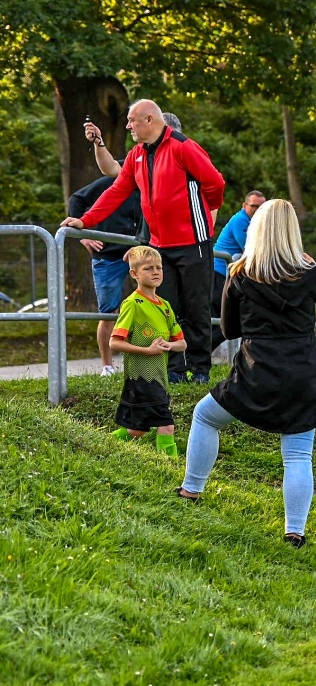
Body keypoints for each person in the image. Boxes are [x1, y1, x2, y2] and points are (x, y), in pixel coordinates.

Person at [178, 200, 316, 547]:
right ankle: (294, 532)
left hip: (257, 371)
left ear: (256, 229)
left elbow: (227, 328)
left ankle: (191, 490)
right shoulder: (309, 272)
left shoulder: (240, 273)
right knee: (298, 454)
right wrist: (314, 271)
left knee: (205, 416)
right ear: (292, 232)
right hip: (304, 373)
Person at [64, 100, 225, 385]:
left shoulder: (183, 147)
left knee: (196, 306)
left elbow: (215, 184)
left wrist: (203, 220)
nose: (127, 126)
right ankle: (174, 369)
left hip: (193, 242)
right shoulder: (137, 154)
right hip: (159, 245)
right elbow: (116, 191)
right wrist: (85, 221)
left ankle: (199, 369)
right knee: (167, 307)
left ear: (149, 120)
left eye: (132, 121)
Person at [108, 246, 185, 457]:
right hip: (141, 378)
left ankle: (103, 443)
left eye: (159, 268)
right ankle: (171, 467)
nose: (156, 272)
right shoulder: (133, 303)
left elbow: (182, 343)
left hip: (160, 379)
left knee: (137, 430)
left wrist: (169, 345)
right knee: (167, 425)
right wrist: (147, 350)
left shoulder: (165, 305)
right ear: (134, 274)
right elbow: (114, 342)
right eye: (148, 268)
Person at [68, 174, 142, 376]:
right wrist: (82, 236)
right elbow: (77, 199)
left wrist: (143, 244)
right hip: (107, 254)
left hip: (139, 250)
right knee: (108, 312)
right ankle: (107, 367)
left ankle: (146, 362)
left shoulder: (154, 176)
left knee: (152, 305)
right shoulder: (113, 177)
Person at [210, 190, 267, 351]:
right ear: (244, 206)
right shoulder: (241, 221)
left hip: (229, 275)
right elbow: (251, 250)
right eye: (254, 206)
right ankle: (198, 357)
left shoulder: (255, 223)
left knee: (225, 322)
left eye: (262, 207)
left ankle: (198, 358)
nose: (258, 210)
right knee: (226, 321)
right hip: (219, 275)